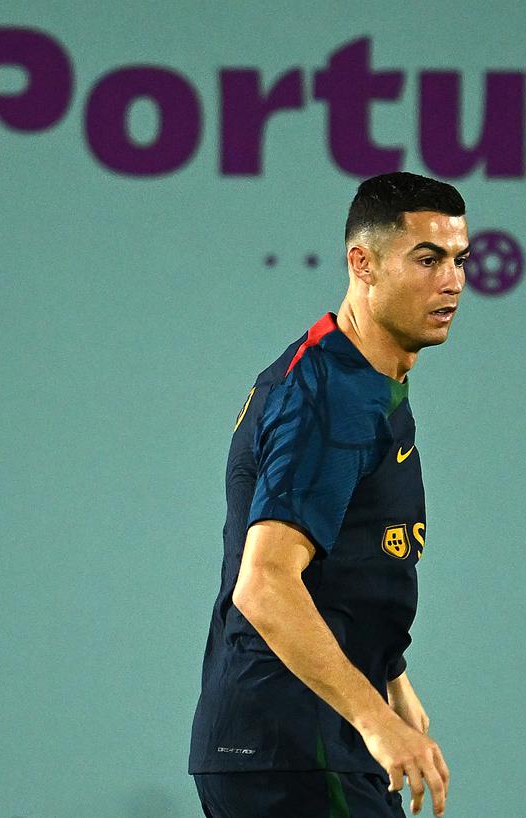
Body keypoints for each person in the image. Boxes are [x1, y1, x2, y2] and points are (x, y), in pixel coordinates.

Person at [188, 172, 469, 818]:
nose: (450, 281)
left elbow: (350, 557)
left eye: (458, 260)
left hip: (298, 744)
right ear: (361, 263)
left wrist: (390, 672)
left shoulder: (368, 378)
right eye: (426, 260)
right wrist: (375, 719)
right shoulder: (329, 398)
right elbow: (265, 584)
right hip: (294, 750)